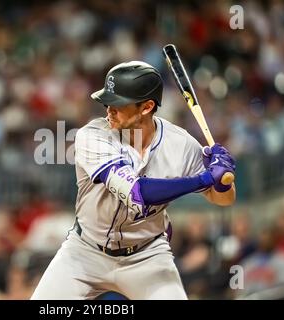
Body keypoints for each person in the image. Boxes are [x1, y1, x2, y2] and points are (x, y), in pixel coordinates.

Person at [31, 61, 236, 299]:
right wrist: (204, 179)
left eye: (118, 104)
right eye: (107, 103)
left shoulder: (180, 144)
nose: (109, 111)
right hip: (85, 251)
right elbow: (138, 193)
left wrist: (220, 182)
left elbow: (224, 199)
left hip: (147, 255)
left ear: (147, 107)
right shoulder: (93, 135)